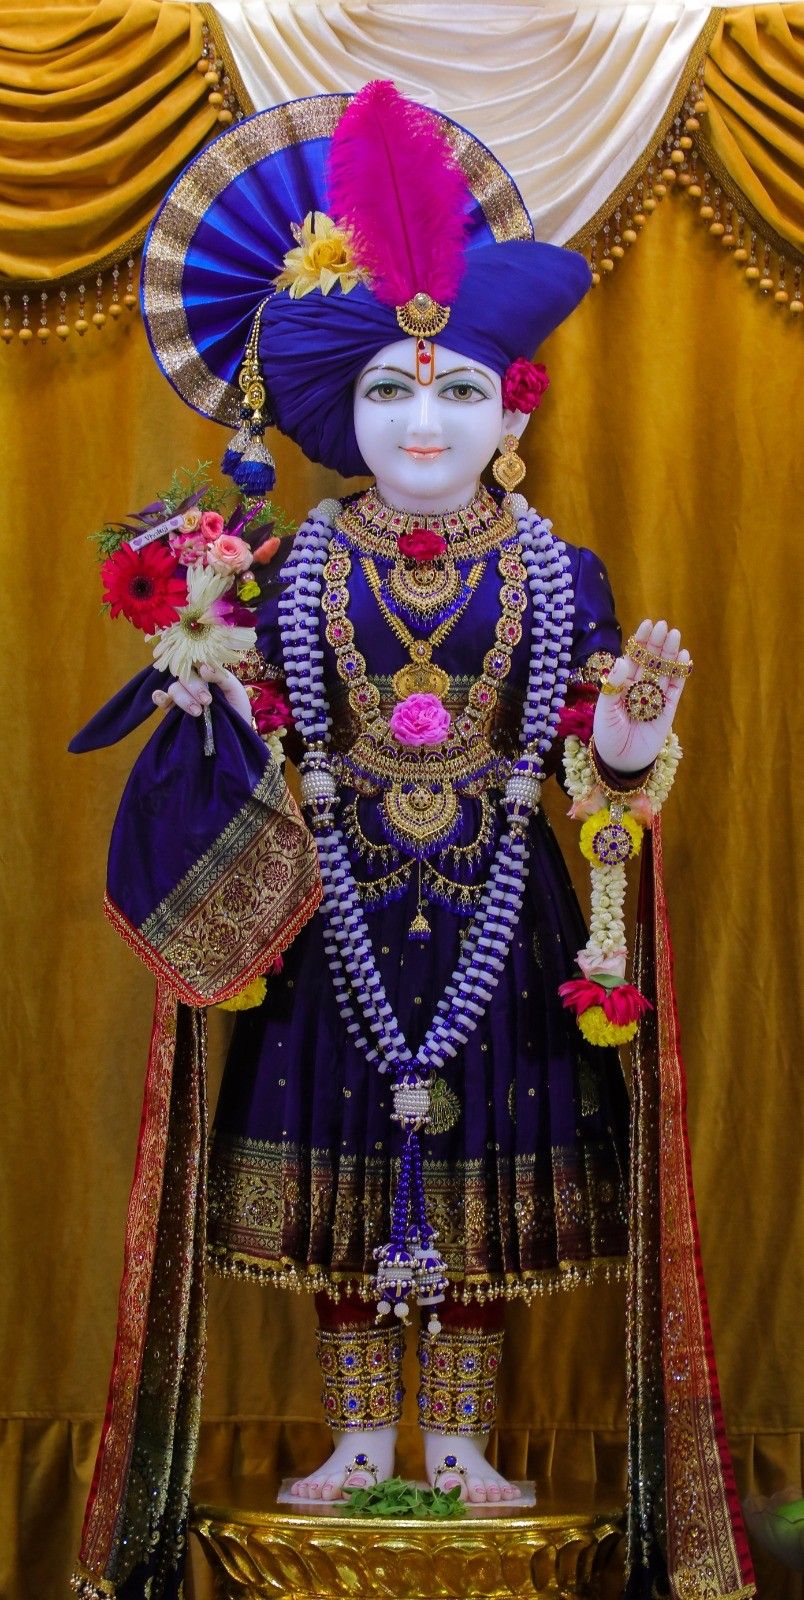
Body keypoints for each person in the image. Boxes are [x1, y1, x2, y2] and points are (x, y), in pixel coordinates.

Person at [75, 81, 754, 1600]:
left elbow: (596, 764)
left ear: (513, 408)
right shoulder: (284, 561)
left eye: (454, 392)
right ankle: (353, 1437)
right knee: (335, 1188)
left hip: (500, 915)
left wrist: (631, 747)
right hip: (330, 916)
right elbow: (237, 741)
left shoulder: (558, 570)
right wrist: (207, 681)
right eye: (388, 393)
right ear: (339, 417)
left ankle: (455, 1446)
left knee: (476, 1193)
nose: (424, 422)